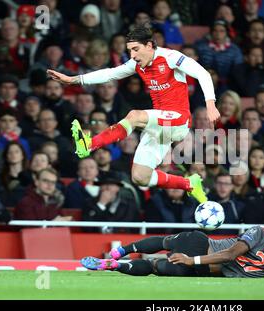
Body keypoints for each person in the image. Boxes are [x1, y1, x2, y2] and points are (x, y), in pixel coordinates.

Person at [47, 25, 219, 204]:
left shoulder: (171, 57)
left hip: (179, 120)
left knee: (134, 116)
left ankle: (89, 145)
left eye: (136, 49)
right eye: (129, 51)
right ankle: (189, 184)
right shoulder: (137, 64)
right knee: (140, 176)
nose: (133, 56)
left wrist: (210, 104)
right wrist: (73, 79)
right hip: (159, 126)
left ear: (150, 46)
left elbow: (202, 73)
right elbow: (110, 74)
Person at [81, 212, 264, 279]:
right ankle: (115, 265)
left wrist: (192, 260)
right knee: (155, 267)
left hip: (204, 249)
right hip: (209, 272)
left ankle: (119, 251)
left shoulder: (259, 233)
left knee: (166, 242)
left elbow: (230, 252)